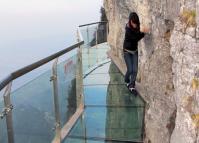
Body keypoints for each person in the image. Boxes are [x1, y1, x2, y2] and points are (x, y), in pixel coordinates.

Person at [123, 12, 149, 93]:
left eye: (136, 23)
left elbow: (138, 33)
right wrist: (143, 33)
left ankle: (132, 86)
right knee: (130, 70)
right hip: (127, 51)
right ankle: (126, 79)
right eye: (133, 23)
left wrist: (142, 31)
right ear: (130, 21)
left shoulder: (137, 24)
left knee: (135, 70)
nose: (135, 25)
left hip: (134, 51)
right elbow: (135, 38)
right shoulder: (127, 29)